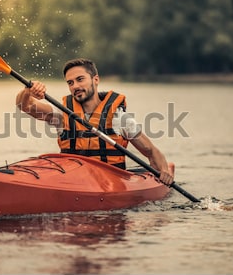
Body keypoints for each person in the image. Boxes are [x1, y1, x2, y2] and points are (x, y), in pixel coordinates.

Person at [15, 58, 174, 185]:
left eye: (80, 79)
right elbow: (25, 105)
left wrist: (164, 171)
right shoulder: (61, 114)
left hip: (110, 183)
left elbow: (151, 152)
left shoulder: (120, 119)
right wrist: (28, 91)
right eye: (70, 83)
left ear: (95, 79)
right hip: (71, 181)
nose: (75, 86)